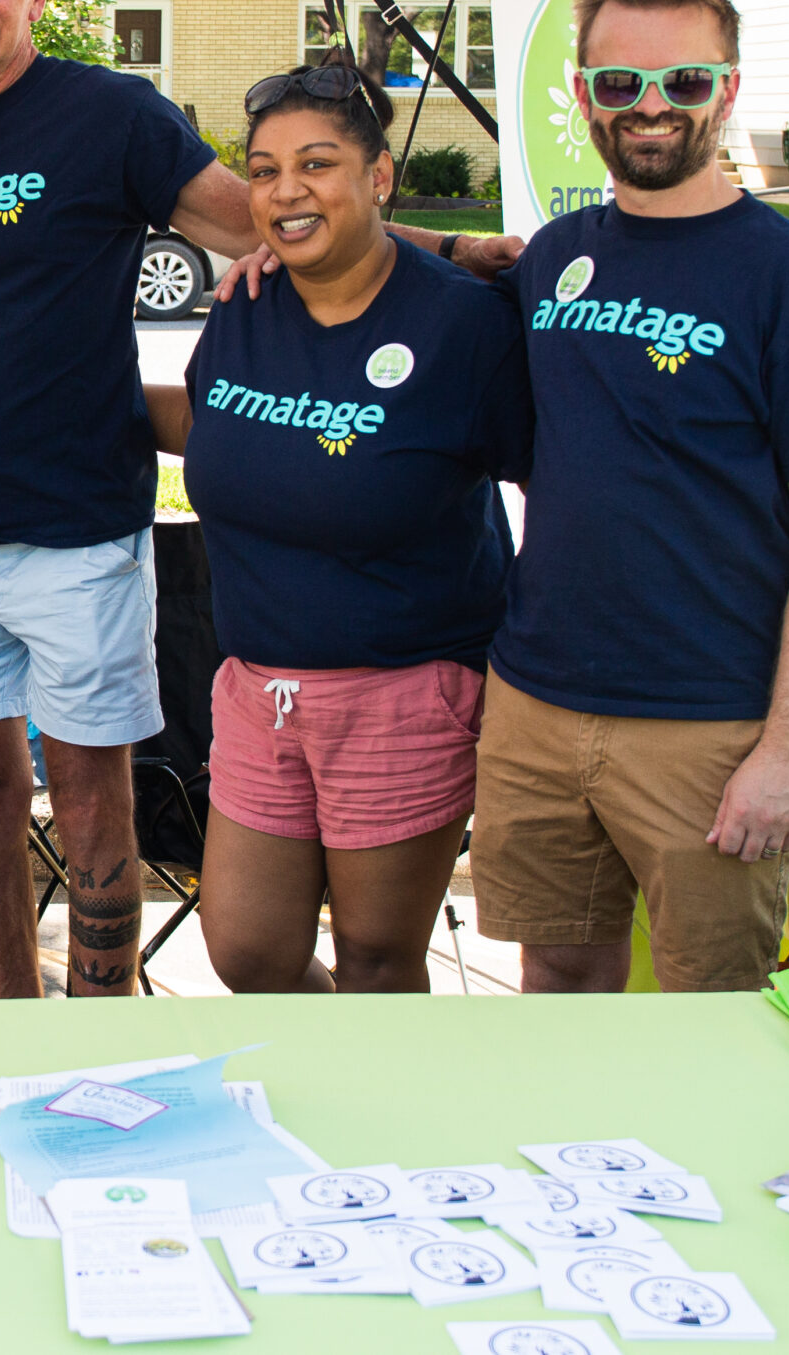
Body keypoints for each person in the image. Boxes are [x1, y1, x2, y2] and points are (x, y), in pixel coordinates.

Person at [0, 0, 520, 998]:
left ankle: (97, 1031)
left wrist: (448, 244)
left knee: (91, 800)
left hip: (76, 525)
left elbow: (260, 216)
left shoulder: (111, 113)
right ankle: (11, 1022)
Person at [473, 0, 789, 993]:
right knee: (556, 986)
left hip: (709, 726)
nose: (650, 106)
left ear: (729, 89)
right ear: (582, 97)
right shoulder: (555, 258)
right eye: (619, 83)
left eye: (684, 82)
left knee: (713, 1011)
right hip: (536, 701)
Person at [144, 55, 531, 995]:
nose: (285, 191)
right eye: (265, 169)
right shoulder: (244, 304)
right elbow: (212, 424)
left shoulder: (463, 325)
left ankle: (388, 1132)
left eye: (316, 164)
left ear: (379, 178)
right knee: (248, 947)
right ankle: (338, 1083)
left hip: (403, 691)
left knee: (377, 956)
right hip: (257, 692)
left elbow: (556, 478)